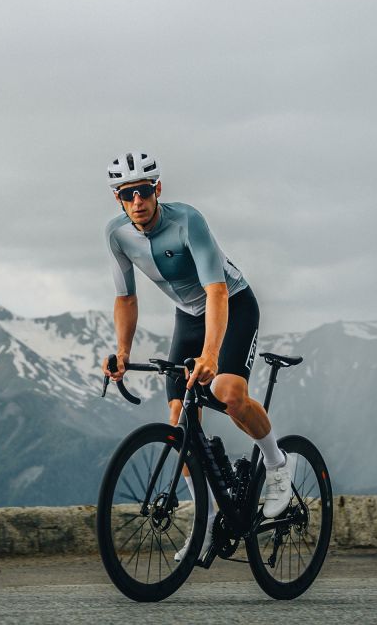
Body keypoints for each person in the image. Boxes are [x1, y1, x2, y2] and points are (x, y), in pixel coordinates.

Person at [99, 150, 293, 561]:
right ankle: (205, 520)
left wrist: (209, 356)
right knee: (177, 420)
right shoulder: (117, 235)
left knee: (228, 390)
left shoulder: (188, 220)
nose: (138, 201)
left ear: (158, 189)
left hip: (232, 305)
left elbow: (217, 291)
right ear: (118, 198)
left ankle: (277, 465)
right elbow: (125, 298)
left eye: (145, 191)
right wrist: (122, 352)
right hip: (188, 316)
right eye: (128, 194)